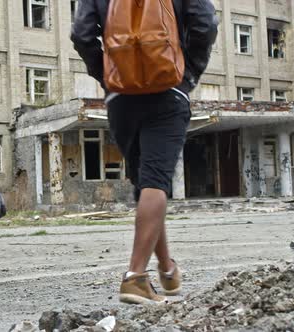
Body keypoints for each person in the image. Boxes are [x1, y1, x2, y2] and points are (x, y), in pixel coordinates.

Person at [71, 0, 218, 304]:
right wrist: (186, 73)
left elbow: (82, 34)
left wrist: (110, 76)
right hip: (168, 89)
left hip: (121, 98)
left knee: (148, 183)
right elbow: (205, 24)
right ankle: (136, 277)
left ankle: (166, 269)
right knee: (155, 181)